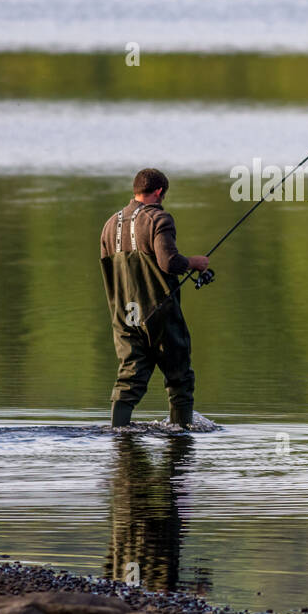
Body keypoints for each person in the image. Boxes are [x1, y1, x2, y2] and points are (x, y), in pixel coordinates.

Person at [99, 168, 210, 428]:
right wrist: (194, 262)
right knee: (179, 379)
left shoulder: (109, 225)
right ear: (159, 192)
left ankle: (118, 433)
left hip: (124, 316)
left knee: (129, 380)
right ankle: (180, 434)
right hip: (160, 314)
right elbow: (169, 262)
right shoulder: (159, 219)